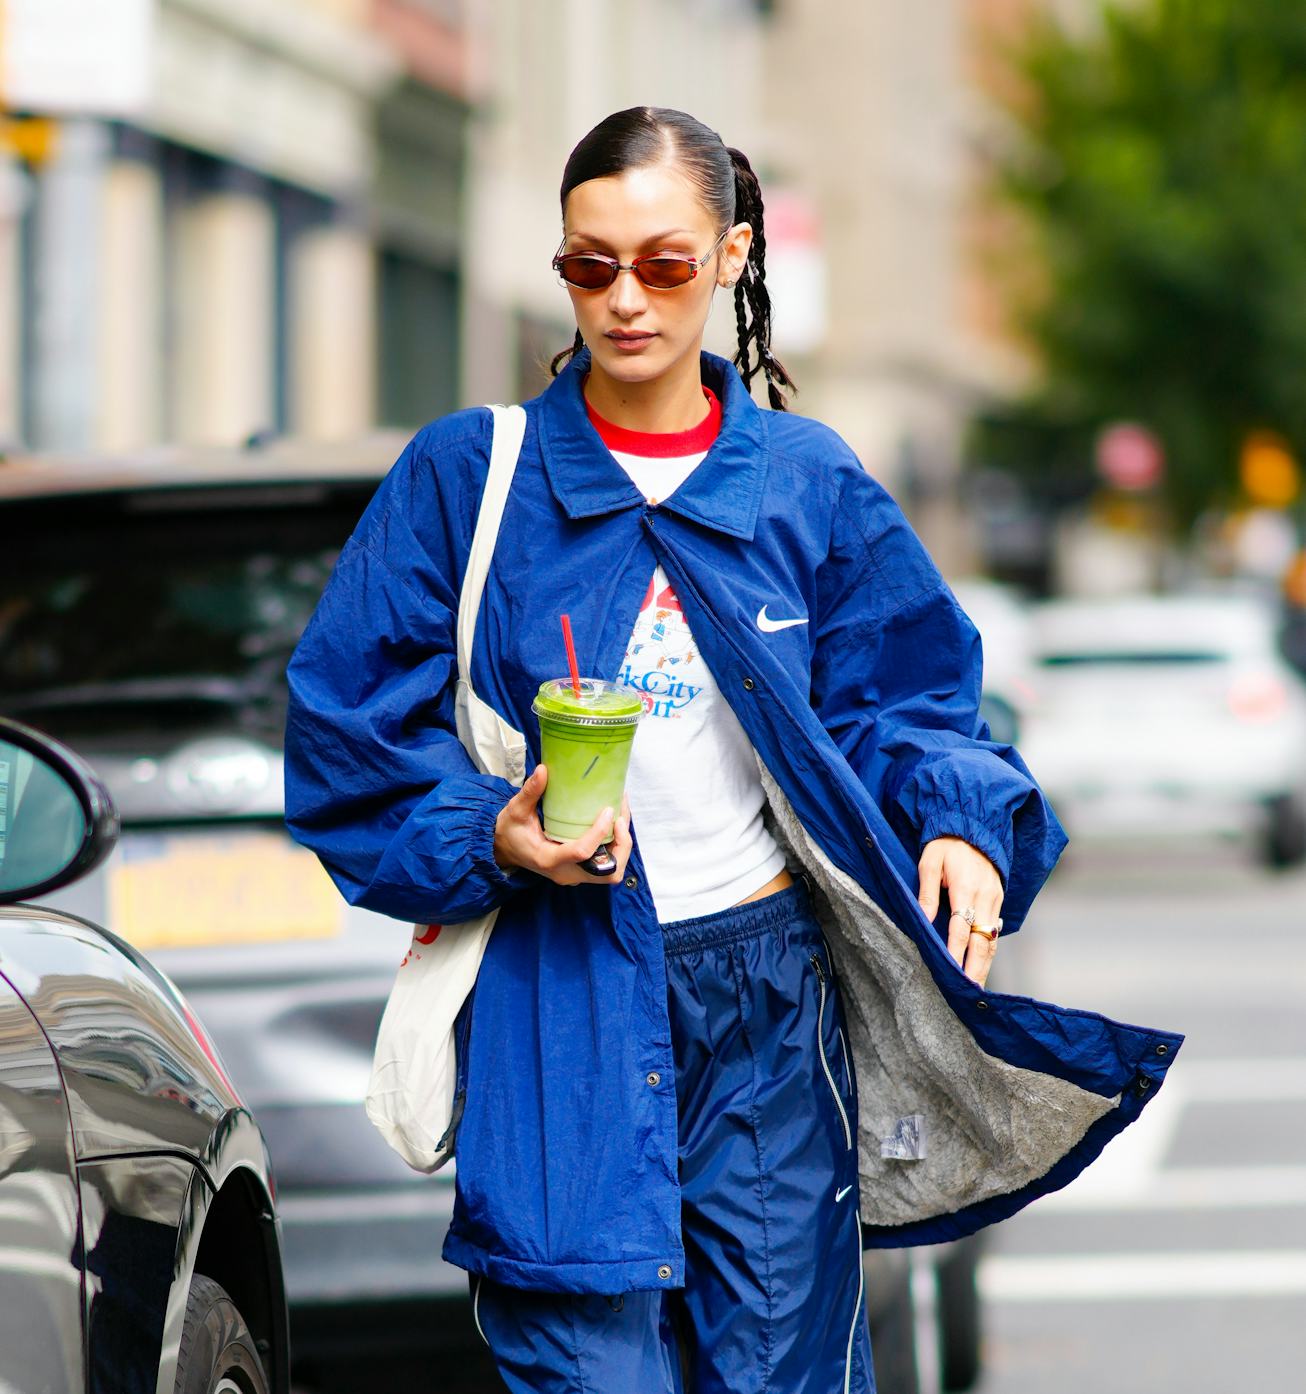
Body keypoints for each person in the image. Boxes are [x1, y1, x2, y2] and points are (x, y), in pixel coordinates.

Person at [283, 106, 1181, 1394]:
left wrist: (958, 827)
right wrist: (491, 835)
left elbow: (910, 701)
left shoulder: (803, 483)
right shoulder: (467, 480)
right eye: (590, 267)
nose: (626, 301)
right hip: (556, 993)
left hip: (764, 1005)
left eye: (665, 263)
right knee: (584, 1369)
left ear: (734, 256)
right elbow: (344, 740)